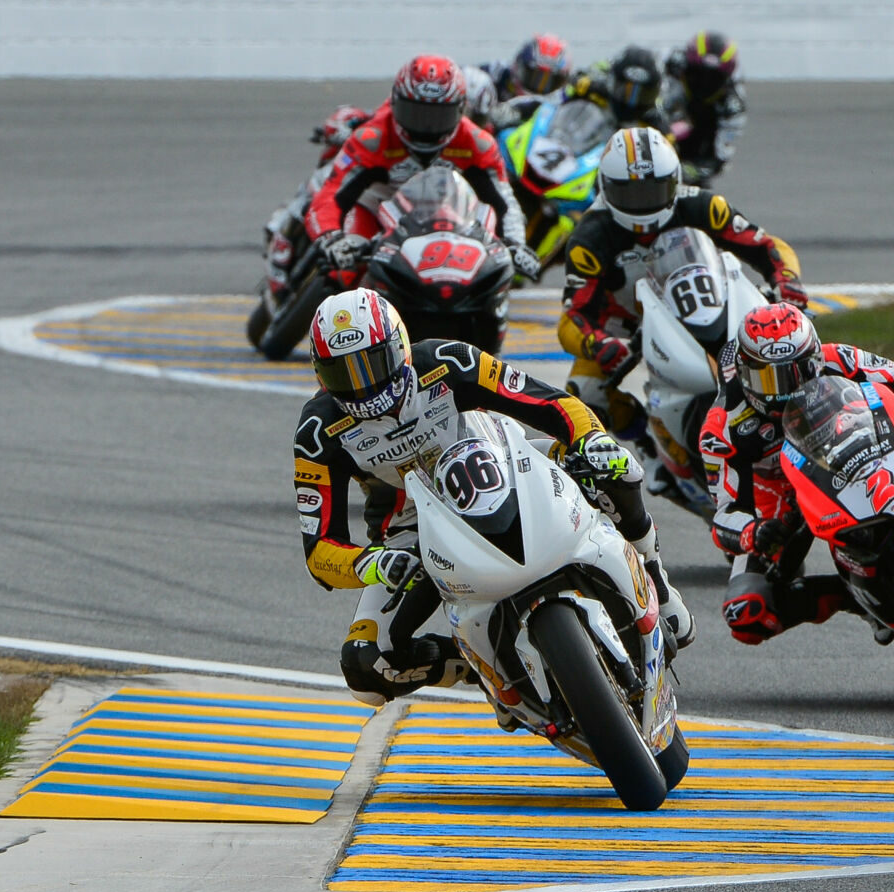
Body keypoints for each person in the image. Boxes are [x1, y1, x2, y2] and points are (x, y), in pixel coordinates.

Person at [294, 288, 693, 707]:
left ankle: (658, 583)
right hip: (415, 528)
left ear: (399, 347)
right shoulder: (318, 435)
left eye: (371, 365)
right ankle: (484, 671)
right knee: (366, 670)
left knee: (618, 468)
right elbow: (320, 551)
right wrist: (372, 564)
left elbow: (550, 402)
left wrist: (590, 438)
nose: (364, 386)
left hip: (508, 467)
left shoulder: (449, 362)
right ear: (322, 375)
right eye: (345, 375)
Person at [703, 302, 894, 649]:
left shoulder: (838, 359)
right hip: (780, 503)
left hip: (858, 454)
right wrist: (753, 532)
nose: (783, 391)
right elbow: (725, 513)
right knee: (747, 614)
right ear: (745, 373)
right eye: (768, 379)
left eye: (797, 372)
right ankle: (858, 600)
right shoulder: (722, 429)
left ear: (815, 359)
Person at [556, 125, 805, 441]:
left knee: (782, 349)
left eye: (653, 191)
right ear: (606, 188)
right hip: (626, 322)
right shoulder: (589, 237)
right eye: (629, 194)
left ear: (674, 182)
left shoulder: (704, 206)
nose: (643, 205)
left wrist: (787, 280)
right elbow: (573, 318)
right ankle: (646, 443)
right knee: (584, 395)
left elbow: (766, 246)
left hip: (707, 300)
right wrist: (598, 343)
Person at [305, 56, 540, 285]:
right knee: (344, 272)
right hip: (374, 207)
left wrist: (515, 244)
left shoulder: (479, 143)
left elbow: (505, 202)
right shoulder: (371, 138)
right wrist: (331, 237)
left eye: (439, 116)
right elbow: (331, 194)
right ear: (395, 103)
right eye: (415, 113)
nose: (427, 128)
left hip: (444, 219)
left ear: (460, 111)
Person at [262, 105, 372, 301]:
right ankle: (279, 256)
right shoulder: (355, 124)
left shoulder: (374, 134)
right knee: (298, 206)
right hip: (330, 193)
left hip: (356, 200)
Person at [661, 31, 746, 186]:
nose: (704, 84)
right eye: (698, 74)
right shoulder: (671, 61)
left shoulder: (732, 106)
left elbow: (720, 158)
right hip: (654, 120)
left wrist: (689, 171)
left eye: (713, 78)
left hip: (693, 149)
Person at [568, 46, 673, 130]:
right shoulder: (597, 85)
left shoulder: (657, 116)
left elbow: (671, 148)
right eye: (623, 90)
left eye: (642, 95)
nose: (631, 102)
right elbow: (566, 93)